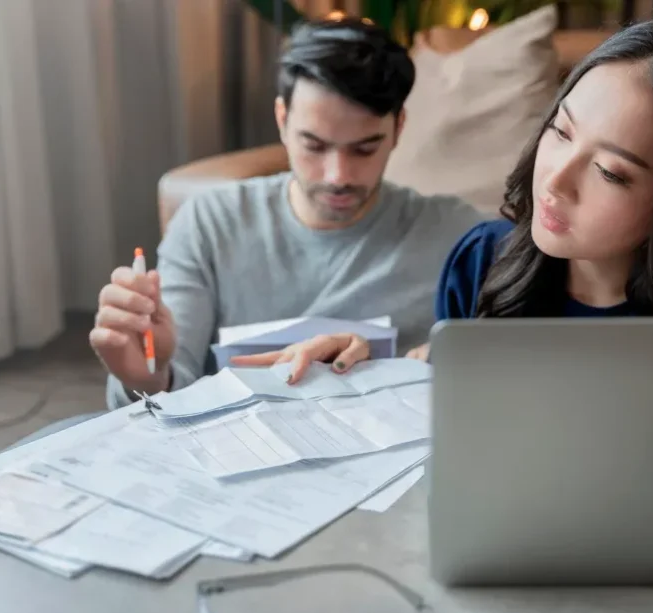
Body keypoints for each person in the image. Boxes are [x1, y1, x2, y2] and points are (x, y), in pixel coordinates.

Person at [233, 19, 653, 383]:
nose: (555, 181)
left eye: (611, 172)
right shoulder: (484, 262)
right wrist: (375, 371)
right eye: (560, 132)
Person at [89, 18, 487, 409]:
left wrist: (440, 361)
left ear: (398, 128)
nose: (338, 176)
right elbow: (169, 392)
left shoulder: (456, 235)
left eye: (364, 149)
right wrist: (145, 377)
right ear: (282, 120)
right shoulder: (210, 224)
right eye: (314, 145)